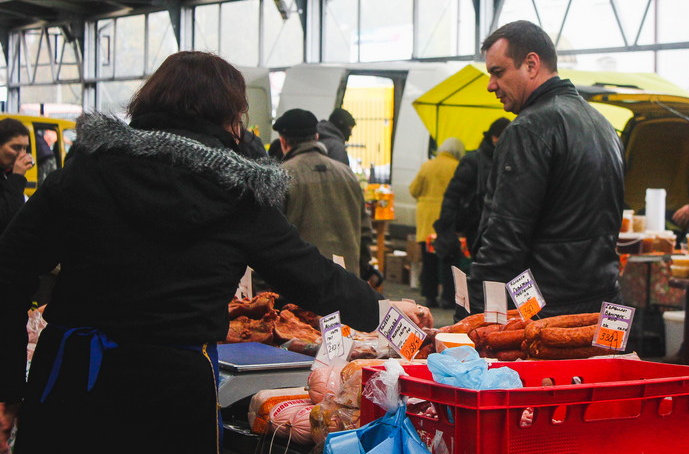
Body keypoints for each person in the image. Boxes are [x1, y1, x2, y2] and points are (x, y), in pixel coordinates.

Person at [0, 51, 431, 454]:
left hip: (70, 375)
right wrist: (383, 311)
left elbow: (9, 271)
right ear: (231, 117)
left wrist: (6, 388)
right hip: (169, 390)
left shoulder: (85, 169)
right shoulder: (237, 191)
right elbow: (311, 275)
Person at [466, 20, 625, 317]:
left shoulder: (529, 129)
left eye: (498, 72)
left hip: (546, 314)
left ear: (531, 64)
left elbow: (505, 237)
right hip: (605, 306)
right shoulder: (603, 125)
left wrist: (474, 317)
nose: (491, 85)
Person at [274, 107, 373, 278]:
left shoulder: (281, 175)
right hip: (347, 278)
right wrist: (362, 268)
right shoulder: (347, 173)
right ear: (316, 137)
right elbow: (364, 231)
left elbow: (273, 234)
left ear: (283, 141)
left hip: (302, 279)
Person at [432, 117, 511, 272]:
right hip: (477, 225)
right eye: (498, 136)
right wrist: (447, 226)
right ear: (492, 137)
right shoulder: (474, 160)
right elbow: (453, 195)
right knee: (483, 266)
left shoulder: (511, 160)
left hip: (502, 226)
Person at [409, 136, 466, 308]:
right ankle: (448, 298)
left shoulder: (427, 166)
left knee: (429, 260)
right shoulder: (457, 167)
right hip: (447, 220)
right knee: (449, 260)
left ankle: (430, 297)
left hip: (427, 219)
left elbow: (414, 190)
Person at [0, 118, 34, 235]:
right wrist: (17, 177)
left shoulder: (6, 173)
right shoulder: (13, 176)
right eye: (16, 148)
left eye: (25, 148)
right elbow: (9, 218)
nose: (22, 154)